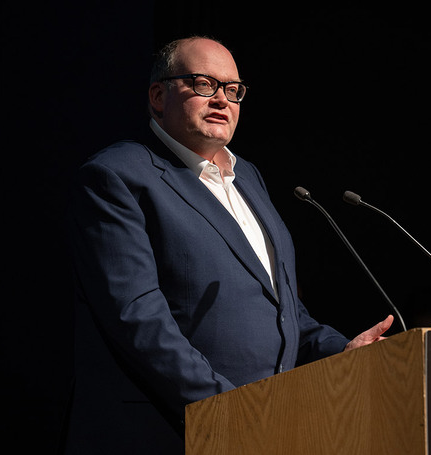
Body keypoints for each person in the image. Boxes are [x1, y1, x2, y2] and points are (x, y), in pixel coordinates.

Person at [64, 36, 393, 454]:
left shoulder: (248, 178)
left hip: (264, 427)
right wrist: (230, 408)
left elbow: (283, 313)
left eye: (232, 90)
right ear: (157, 95)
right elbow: (138, 319)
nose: (221, 99)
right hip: (168, 432)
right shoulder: (117, 176)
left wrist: (340, 351)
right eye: (203, 84)